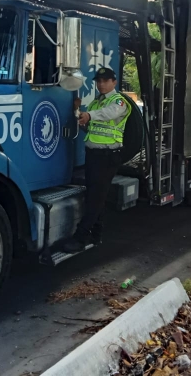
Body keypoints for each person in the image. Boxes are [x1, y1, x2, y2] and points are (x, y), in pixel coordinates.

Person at [62, 67, 131, 253]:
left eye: (105, 80)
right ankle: (96, 234)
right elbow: (90, 127)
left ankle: (80, 238)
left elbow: (109, 114)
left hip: (108, 157)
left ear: (114, 82)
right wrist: (78, 112)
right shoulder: (94, 104)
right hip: (93, 156)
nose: (101, 84)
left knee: (95, 198)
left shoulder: (119, 102)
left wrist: (89, 115)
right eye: (98, 81)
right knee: (95, 196)